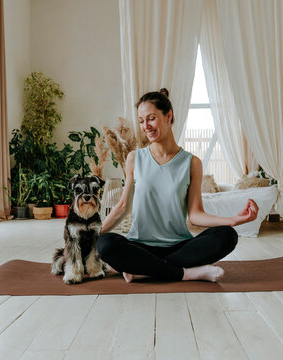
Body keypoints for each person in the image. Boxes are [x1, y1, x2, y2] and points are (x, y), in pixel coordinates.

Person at [97, 88, 259, 283]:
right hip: (139, 245)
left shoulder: (192, 163)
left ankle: (143, 269)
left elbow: (196, 214)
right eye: (141, 121)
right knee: (105, 244)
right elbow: (123, 206)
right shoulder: (135, 158)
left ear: (168, 116)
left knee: (227, 236)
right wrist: (92, 234)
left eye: (151, 118)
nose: (146, 126)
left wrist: (232, 220)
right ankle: (186, 273)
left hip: (179, 246)